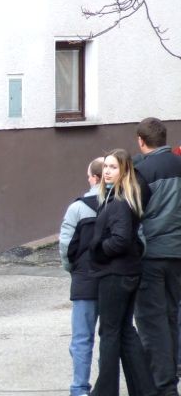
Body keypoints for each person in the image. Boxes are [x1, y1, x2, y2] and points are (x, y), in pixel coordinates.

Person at [88, 149, 156, 396]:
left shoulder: (119, 203)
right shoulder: (124, 197)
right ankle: (146, 390)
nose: (107, 171)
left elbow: (120, 240)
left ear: (124, 171)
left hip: (116, 274)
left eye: (113, 167)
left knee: (110, 332)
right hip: (126, 272)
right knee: (125, 330)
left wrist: (98, 250)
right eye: (105, 166)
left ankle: (105, 391)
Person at [133, 117, 181, 396]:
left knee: (152, 321)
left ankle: (162, 385)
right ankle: (172, 373)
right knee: (172, 314)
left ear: (141, 141)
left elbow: (131, 214)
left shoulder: (142, 170)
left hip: (151, 254)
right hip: (177, 254)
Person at [59, 157, 102, 396]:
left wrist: (72, 269)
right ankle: (106, 385)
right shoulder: (122, 203)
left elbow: (66, 246)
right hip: (113, 280)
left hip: (84, 279)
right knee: (110, 336)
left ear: (94, 178)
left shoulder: (77, 208)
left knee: (82, 338)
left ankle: (79, 388)